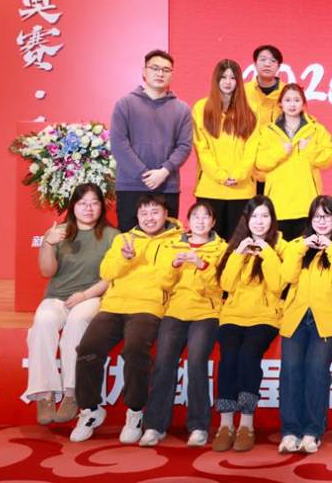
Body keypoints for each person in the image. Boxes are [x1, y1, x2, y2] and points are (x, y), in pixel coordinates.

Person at [70, 194, 182, 443]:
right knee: (87, 349)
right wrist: (125, 258)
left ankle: (135, 411)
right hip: (114, 305)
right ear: (137, 216)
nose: (149, 218)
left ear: (166, 214)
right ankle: (90, 410)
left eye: (155, 212)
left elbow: (173, 279)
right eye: (144, 213)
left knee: (135, 350)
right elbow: (106, 272)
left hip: (148, 307)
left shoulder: (178, 241)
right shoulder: (123, 239)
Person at [27, 184, 117, 427]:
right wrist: (48, 244)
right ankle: (44, 394)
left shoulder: (112, 236)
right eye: (82, 203)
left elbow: (111, 277)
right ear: (73, 206)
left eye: (94, 202)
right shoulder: (59, 232)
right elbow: (47, 271)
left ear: (102, 206)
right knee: (43, 320)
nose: (88, 208)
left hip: (92, 297)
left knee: (77, 321)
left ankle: (71, 391)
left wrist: (85, 295)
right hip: (57, 297)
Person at [140, 200, 228, 448]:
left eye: (205, 217)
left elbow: (222, 286)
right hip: (175, 311)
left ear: (213, 222)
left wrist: (202, 265)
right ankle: (155, 426)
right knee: (163, 362)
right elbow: (163, 282)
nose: (200, 221)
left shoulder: (222, 249)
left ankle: (199, 426)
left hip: (206, 313)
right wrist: (174, 266)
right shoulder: (173, 244)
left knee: (197, 362)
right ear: (189, 221)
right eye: (195, 216)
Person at [278, 196, 332, 454]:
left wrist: (331, 249)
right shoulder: (295, 245)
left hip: (328, 319)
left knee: (316, 370)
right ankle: (290, 431)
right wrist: (302, 248)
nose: (321, 221)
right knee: (290, 370)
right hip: (296, 316)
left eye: (327, 216)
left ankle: (312, 431)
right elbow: (286, 277)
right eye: (317, 216)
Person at [212, 196, 283, 453]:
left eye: (265, 216)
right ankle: (225, 424)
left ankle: (246, 423)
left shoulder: (281, 246)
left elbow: (278, 285)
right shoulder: (235, 245)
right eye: (255, 216)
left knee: (248, 355)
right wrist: (238, 254)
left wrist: (267, 252)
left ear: (272, 220)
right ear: (247, 219)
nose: (260, 221)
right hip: (233, 315)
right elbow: (226, 285)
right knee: (229, 357)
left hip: (265, 316)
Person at [110, 49, 192, 230]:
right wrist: (144, 175)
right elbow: (119, 144)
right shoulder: (125, 104)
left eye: (166, 70)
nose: (160, 73)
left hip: (166, 186)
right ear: (144, 71)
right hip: (130, 187)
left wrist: (164, 172)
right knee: (130, 241)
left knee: (167, 241)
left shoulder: (182, 109)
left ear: (172, 75)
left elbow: (184, 146)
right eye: (155, 68)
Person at [255, 84, 332, 240]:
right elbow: (260, 162)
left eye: (297, 100)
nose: (292, 104)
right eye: (288, 100)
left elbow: (329, 159)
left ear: (303, 103)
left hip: (307, 202)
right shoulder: (268, 131)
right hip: (279, 203)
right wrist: (280, 152)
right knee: (279, 250)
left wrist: (310, 150)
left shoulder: (316, 129)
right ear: (280, 103)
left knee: (306, 249)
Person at [192, 59, 259, 240]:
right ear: (216, 80)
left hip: (242, 190)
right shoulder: (201, 108)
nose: (228, 82)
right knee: (209, 242)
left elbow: (252, 149)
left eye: (232, 78)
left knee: (238, 245)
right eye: (223, 77)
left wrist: (238, 175)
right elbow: (201, 148)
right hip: (210, 188)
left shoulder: (251, 111)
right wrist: (221, 175)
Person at [245, 44, 285, 195]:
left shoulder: (288, 94)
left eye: (273, 61)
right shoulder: (243, 91)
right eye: (263, 60)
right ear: (255, 64)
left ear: (279, 66)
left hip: (277, 162)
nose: (267, 64)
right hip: (247, 164)